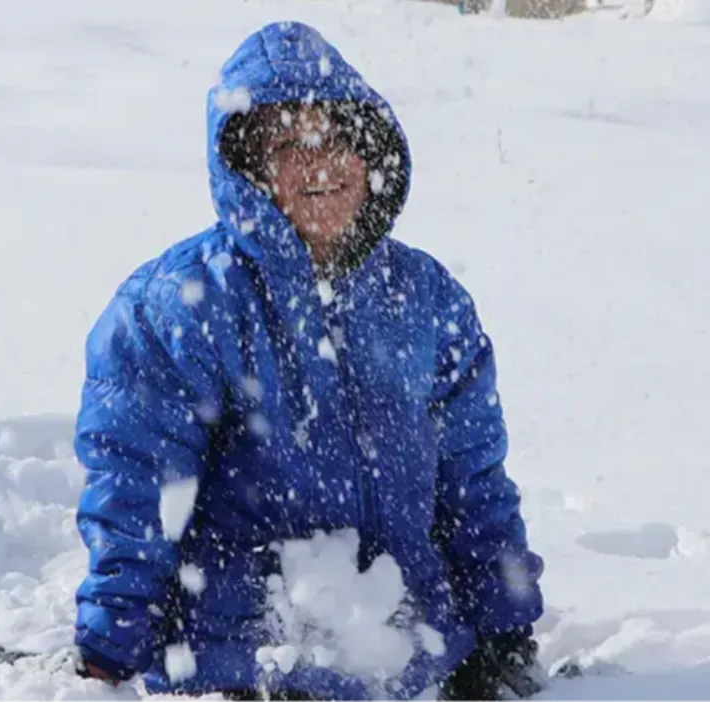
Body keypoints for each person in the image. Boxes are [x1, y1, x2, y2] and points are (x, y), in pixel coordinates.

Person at [71, 20, 546, 702]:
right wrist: (107, 653)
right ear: (249, 170)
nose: (319, 162)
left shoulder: (427, 297)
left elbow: (474, 483)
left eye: (336, 138)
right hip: (245, 667)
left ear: (369, 152)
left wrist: (507, 627)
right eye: (287, 144)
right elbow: (136, 499)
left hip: (417, 666)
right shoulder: (176, 307)